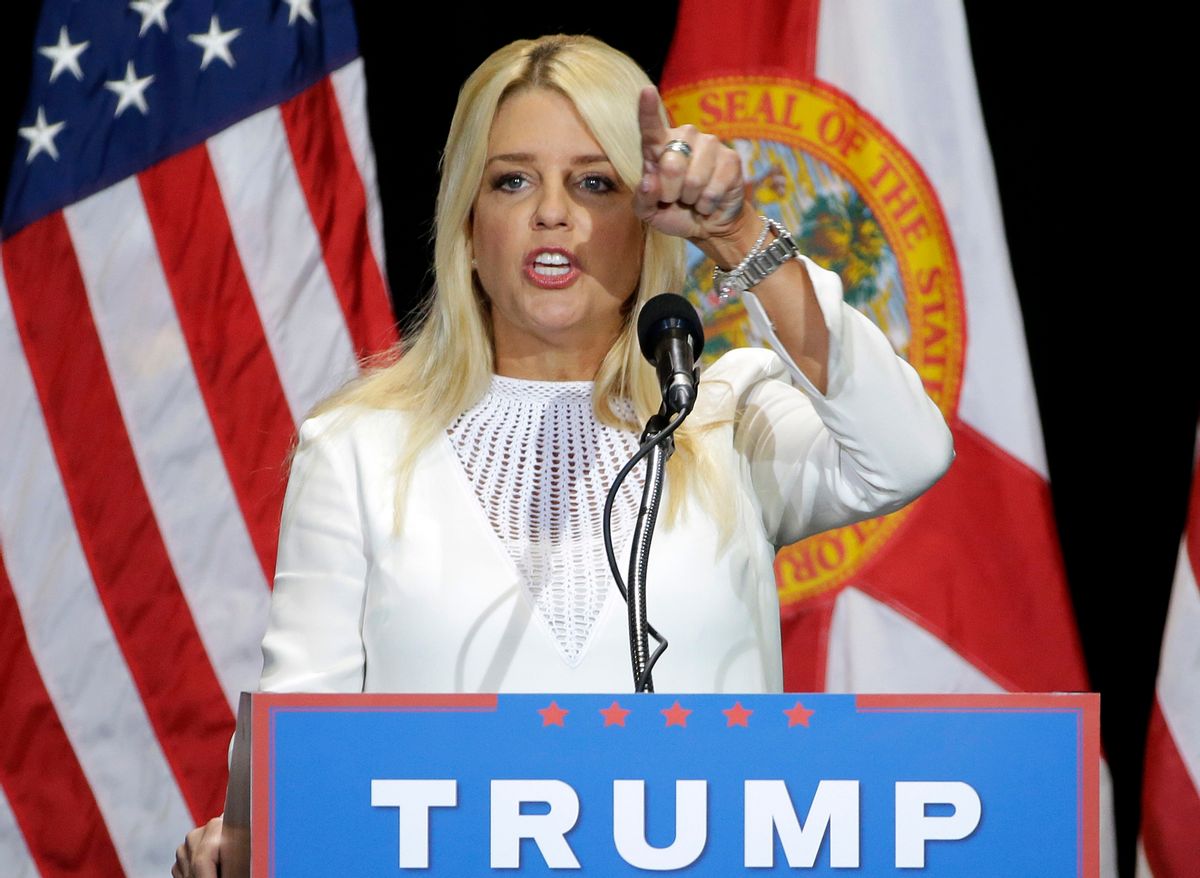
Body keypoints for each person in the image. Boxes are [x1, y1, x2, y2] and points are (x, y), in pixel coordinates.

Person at [172, 33, 952, 878]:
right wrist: (258, 839)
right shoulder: (359, 446)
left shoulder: (725, 414)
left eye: (594, 182)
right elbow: (303, 739)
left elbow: (904, 453)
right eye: (513, 180)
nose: (552, 212)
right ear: (469, 228)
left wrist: (737, 234)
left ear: (647, 221)